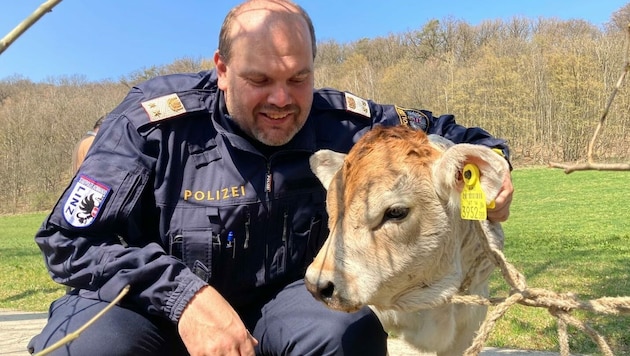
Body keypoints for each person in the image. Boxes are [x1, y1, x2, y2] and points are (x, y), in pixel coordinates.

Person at [28, 1, 513, 355]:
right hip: (146, 312)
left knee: (343, 335)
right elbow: (70, 240)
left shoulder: (341, 121)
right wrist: (186, 298)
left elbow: (448, 133)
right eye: (259, 80)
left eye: (298, 78)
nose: (282, 99)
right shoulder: (151, 125)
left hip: (277, 310)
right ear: (221, 69)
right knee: (90, 348)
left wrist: (492, 173)